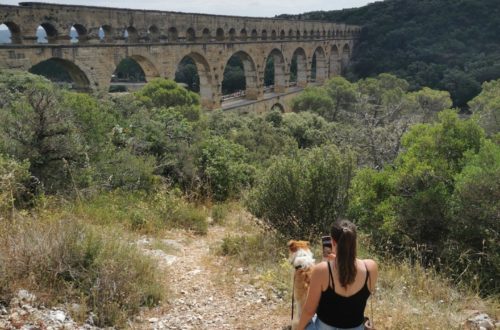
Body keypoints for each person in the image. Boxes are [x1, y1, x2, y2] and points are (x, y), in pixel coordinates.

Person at [296, 220, 378, 330]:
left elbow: (309, 311)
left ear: (333, 242)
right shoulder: (371, 267)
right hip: (356, 328)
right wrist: (341, 260)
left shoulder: (322, 270)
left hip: (324, 327)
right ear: (354, 242)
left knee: (303, 317)